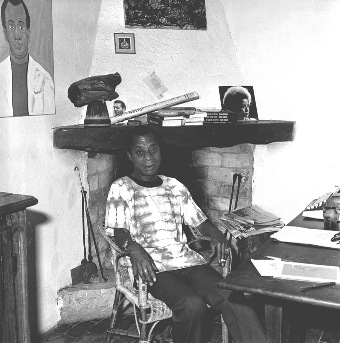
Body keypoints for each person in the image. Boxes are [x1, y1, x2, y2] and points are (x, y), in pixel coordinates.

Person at [105, 125, 265, 343]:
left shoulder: (174, 186)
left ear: (160, 151)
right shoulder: (121, 187)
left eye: (153, 150)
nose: (148, 158)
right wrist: (134, 248)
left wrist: (216, 234)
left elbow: (200, 221)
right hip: (151, 267)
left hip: (185, 261)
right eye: (140, 152)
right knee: (191, 305)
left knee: (233, 297)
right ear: (130, 155)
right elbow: (118, 232)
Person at [0, 0, 55, 117]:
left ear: (28, 33)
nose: (17, 35)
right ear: (5, 34)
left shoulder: (45, 81)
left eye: (21, 26)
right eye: (11, 26)